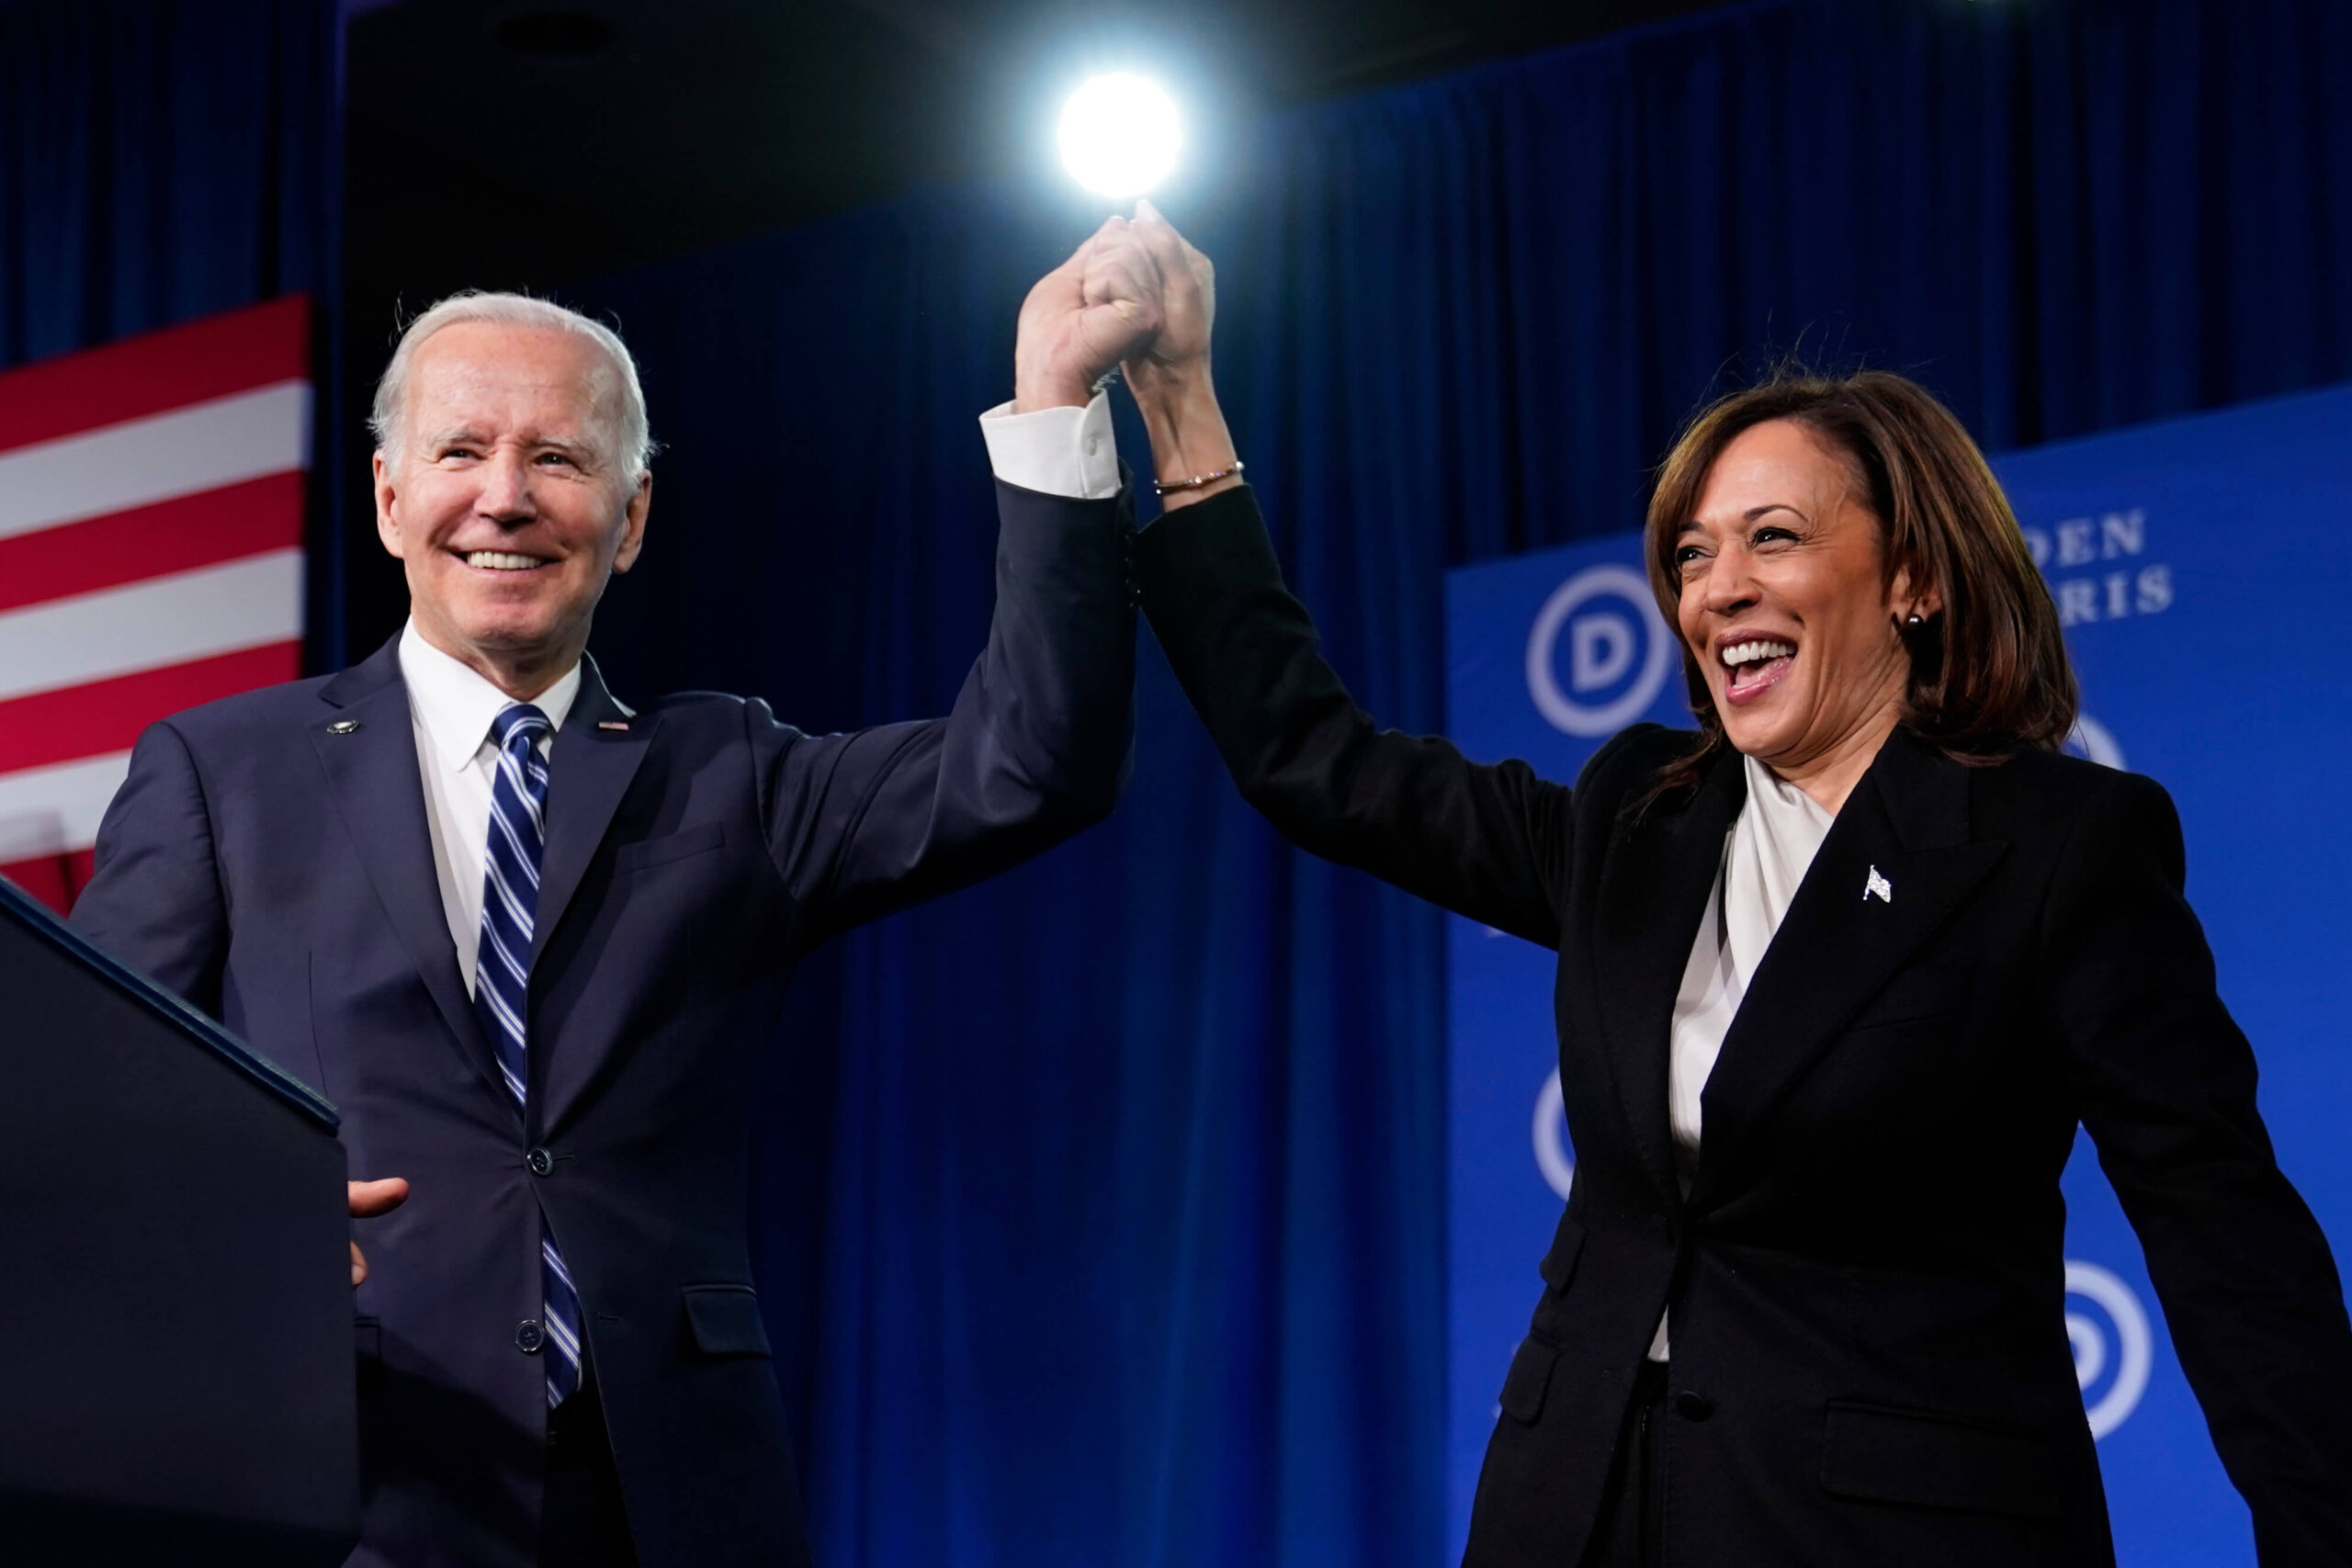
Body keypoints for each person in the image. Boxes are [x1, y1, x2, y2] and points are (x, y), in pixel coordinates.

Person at [1111, 205, 2352, 1565]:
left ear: (1914, 577)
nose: (1718, 591)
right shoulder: (1636, 815)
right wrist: (1180, 411)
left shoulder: (2057, 848)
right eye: (1694, 554)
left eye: (1773, 538)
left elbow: (2221, 1228)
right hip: (1574, 1515)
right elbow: (1314, 763)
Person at [68, 217, 1162, 1568]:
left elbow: (1038, 763)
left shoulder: (733, 772)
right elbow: (87, 1103)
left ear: (631, 517)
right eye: (460, 452)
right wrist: (225, 1211)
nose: (505, 498)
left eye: (558, 458)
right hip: (342, 1486)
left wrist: (1053, 407)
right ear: (390, 499)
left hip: (673, 1505)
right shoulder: (222, 771)